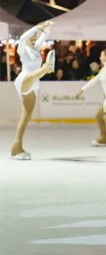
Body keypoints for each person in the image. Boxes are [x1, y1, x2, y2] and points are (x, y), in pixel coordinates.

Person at [11, 21, 56, 160]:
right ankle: (44, 69)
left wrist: (47, 27)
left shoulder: (36, 48)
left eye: (35, 36)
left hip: (35, 82)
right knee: (38, 72)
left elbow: (46, 35)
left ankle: (16, 147)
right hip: (25, 79)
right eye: (32, 35)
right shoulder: (22, 48)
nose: (34, 37)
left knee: (26, 116)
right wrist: (37, 27)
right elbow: (23, 37)